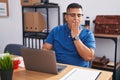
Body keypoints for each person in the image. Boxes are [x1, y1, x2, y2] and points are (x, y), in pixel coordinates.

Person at [42, 3, 96, 67]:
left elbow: (88, 57)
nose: (76, 18)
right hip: (59, 68)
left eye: (79, 15)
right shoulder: (56, 30)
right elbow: (45, 49)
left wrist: (76, 37)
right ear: (66, 17)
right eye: (73, 15)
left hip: (79, 70)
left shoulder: (88, 34)